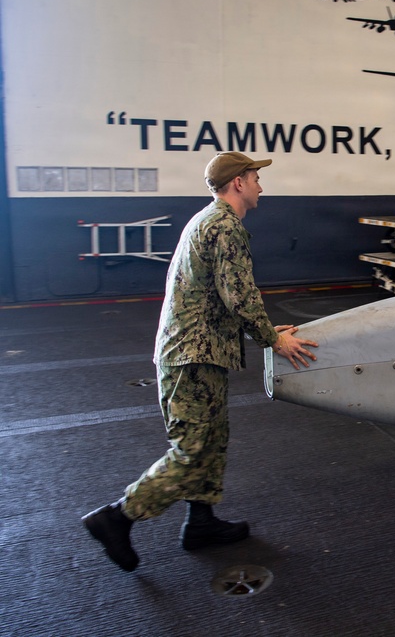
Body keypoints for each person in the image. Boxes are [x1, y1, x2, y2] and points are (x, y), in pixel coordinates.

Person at [82, 152, 319, 572]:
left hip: (199, 354)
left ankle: (201, 522)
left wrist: (266, 332)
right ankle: (117, 517)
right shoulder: (224, 227)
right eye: (256, 177)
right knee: (191, 450)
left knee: (211, 441)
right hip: (191, 356)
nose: (261, 185)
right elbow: (240, 295)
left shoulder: (209, 220)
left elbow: (232, 297)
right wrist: (272, 341)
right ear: (238, 184)